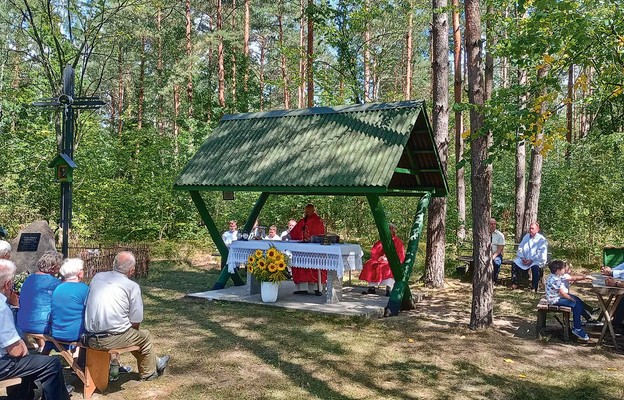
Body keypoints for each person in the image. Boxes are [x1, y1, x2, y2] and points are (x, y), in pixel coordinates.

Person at [84, 251, 170, 381]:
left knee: (132, 336)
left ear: (114, 264)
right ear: (132, 269)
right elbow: (136, 321)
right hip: (110, 338)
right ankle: (149, 373)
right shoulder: (132, 286)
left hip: (89, 336)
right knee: (144, 336)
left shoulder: (98, 277)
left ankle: (157, 361)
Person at [0, 259, 72, 399]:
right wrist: (22, 346)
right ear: (8, 284)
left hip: (23, 330)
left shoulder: (30, 279)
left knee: (29, 361)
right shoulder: (2, 308)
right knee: (52, 363)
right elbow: (15, 351)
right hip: (2, 363)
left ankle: (22, 397)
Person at [17, 251, 63, 350]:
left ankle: (44, 349)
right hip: (43, 326)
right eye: (59, 265)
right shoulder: (56, 284)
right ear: (54, 267)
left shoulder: (28, 279)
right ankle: (75, 356)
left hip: (22, 323)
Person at [544, 259, 590, 341]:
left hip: (556, 297)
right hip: (555, 300)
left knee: (577, 301)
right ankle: (577, 328)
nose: (565, 269)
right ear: (558, 270)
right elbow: (562, 294)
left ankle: (586, 319)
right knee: (576, 304)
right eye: (563, 268)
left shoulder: (555, 276)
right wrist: (571, 299)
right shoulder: (555, 280)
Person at [289, 204, 326, 295]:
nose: (306, 213)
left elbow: (320, 234)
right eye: (305, 211)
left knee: (313, 267)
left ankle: (317, 288)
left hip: (314, 249)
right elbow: (294, 233)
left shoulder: (318, 221)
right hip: (302, 248)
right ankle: (301, 288)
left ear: (313, 211)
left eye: (308, 211)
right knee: (300, 266)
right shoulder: (302, 221)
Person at [360, 224, 404, 297]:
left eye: (391, 229)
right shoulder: (383, 240)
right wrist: (378, 257)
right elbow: (376, 250)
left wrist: (388, 258)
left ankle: (389, 288)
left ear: (393, 230)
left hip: (391, 261)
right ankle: (372, 287)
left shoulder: (398, 241)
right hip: (380, 259)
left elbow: (400, 253)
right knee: (370, 264)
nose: (389, 230)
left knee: (388, 267)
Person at [511, 222, 548, 292]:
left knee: (535, 268)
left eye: (532, 229)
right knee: (515, 263)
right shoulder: (526, 237)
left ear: (538, 229)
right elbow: (520, 247)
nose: (531, 230)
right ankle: (515, 283)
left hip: (536, 260)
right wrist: (522, 257)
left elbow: (540, 253)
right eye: (530, 228)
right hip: (524, 259)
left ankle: (534, 287)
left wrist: (531, 260)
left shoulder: (541, 239)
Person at [489, 218, 505, 283]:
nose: (493, 225)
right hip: (484, 255)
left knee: (496, 263)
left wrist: (492, 257)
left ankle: (494, 280)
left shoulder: (500, 235)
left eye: (494, 224)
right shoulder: (484, 234)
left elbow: (500, 249)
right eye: (491, 224)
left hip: (496, 254)